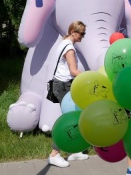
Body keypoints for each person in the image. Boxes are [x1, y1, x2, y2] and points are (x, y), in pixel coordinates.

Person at [48, 21, 89, 168]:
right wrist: (90, 77)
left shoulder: (63, 42)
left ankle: (75, 150)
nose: (83, 37)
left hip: (61, 84)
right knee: (69, 120)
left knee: (75, 117)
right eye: (81, 33)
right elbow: (73, 71)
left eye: (84, 34)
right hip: (64, 85)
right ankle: (54, 154)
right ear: (73, 32)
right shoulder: (70, 48)